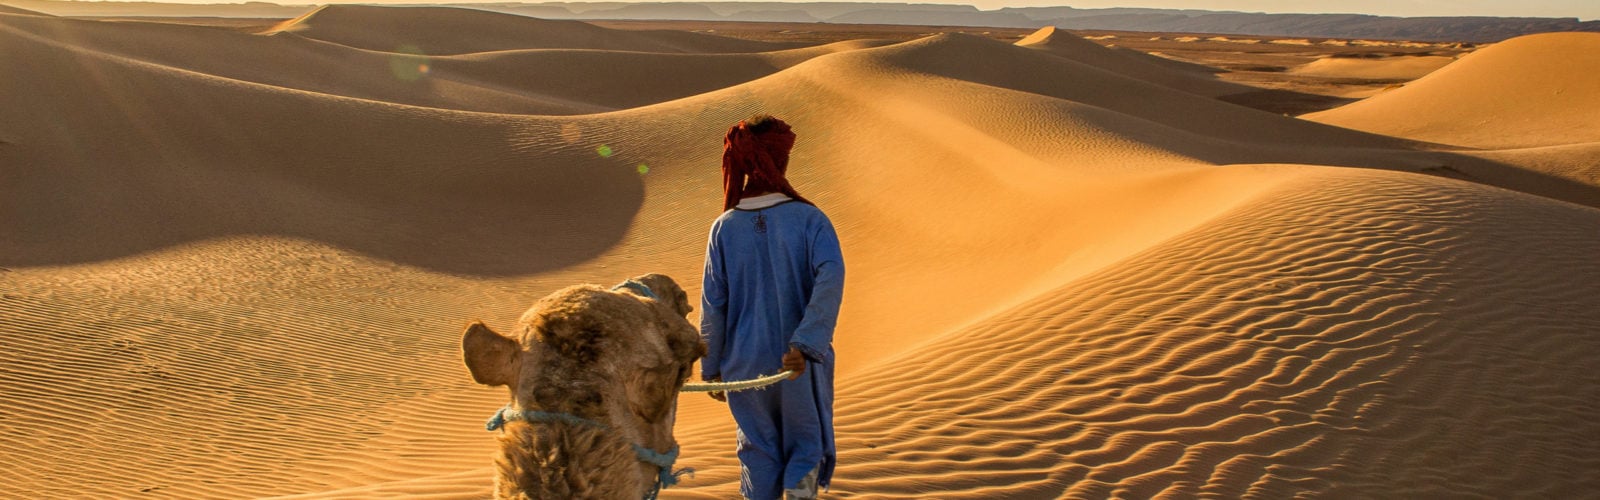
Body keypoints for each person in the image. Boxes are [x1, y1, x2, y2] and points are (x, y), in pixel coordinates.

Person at [700, 115, 844, 500]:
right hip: (796, 364)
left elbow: (713, 302)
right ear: (779, 159)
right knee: (805, 449)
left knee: (757, 454)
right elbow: (831, 276)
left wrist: (712, 367)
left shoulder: (724, 227)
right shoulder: (810, 219)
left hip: (743, 366)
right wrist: (807, 343)